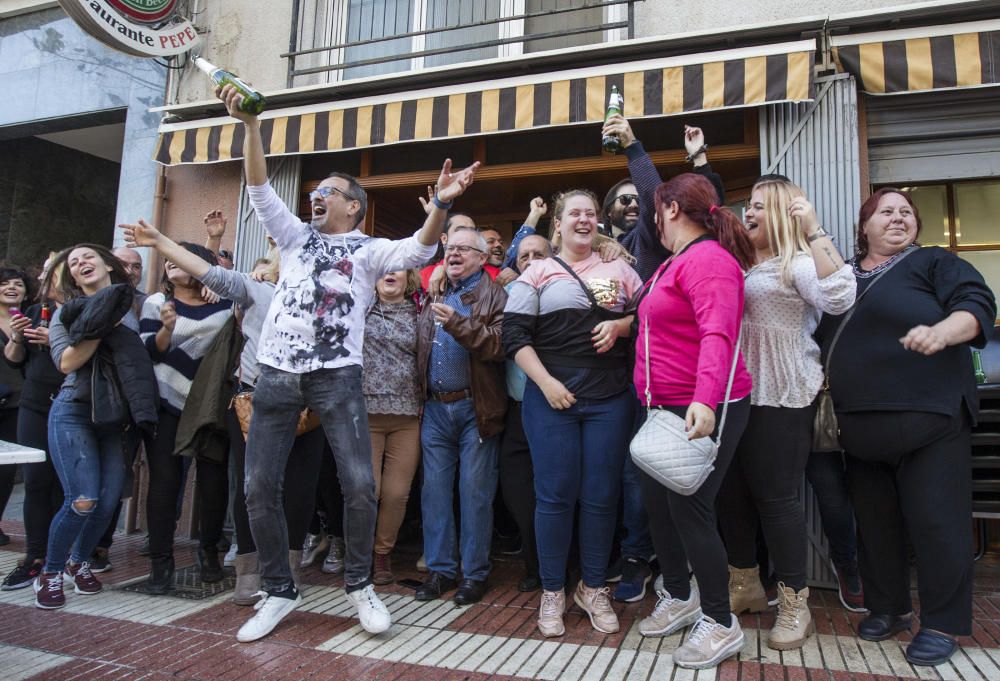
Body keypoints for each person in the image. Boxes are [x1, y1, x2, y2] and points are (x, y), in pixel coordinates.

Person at [216, 82, 479, 641]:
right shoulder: (292, 238)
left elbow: (418, 251)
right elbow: (259, 185)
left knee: (360, 484)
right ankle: (278, 589)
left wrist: (443, 204)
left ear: (353, 205)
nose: (316, 195)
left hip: (338, 377)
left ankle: (360, 586)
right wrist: (251, 125)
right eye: (314, 189)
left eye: (328, 191)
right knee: (258, 485)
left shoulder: (366, 249)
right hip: (277, 375)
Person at [817, 188, 996, 667]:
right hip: (858, 427)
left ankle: (941, 623)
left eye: (906, 213)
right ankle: (889, 608)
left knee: (938, 524)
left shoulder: (934, 263)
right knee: (875, 528)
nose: (898, 218)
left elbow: (977, 304)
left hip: (931, 420)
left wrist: (943, 332)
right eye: (885, 212)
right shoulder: (839, 277)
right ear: (864, 226)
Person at [121, 216, 327, 607]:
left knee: (299, 489)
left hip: (312, 400)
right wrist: (161, 241)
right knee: (254, 486)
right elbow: (205, 270)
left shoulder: (333, 292)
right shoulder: (253, 287)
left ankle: (288, 570)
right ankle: (249, 572)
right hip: (253, 399)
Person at [715, 178, 856, 650]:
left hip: (782, 393)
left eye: (758, 207)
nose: (748, 213)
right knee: (730, 494)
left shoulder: (796, 263)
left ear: (777, 214)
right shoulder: (738, 261)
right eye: (747, 206)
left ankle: (796, 603)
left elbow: (840, 296)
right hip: (733, 393)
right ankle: (746, 585)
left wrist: (813, 228)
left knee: (776, 499)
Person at [504, 189, 643, 637]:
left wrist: (622, 325)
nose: (583, 219)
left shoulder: (620, 268)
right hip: (552, 400)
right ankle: (552, 591)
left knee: (602, 497)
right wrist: (545, 384)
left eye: (591, 213)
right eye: (574, 214)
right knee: (555, 497)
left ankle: (595, 587)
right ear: (557, 224)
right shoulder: (538, 271)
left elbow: (648, 317)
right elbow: (514, 337)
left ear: (599, 222)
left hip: (610, 399)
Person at [633, 174, 754, 669]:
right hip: (663, 408)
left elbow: (718, 334)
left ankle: (722, 622)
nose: (652, 219)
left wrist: (704, 400)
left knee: (691, 510)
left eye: (656, 209)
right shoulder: (675, 262)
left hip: (702, 406)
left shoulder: (708, 259)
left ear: (673, 209)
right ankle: (681, 595)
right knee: (660, 508)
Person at [34, 244, 155, 609]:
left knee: (107, 503)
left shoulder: (134, 308)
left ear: (107, 265)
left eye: (87, 257)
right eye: (73, 263)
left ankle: (78, 561)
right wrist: (100, 325)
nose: (81, 263)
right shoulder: (65, 313)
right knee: (83, 499)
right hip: (73, 411)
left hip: (115, 418)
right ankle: (51, 572)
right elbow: (67, 362)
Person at [414, 228, 507, 605]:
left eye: (463, 249)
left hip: (476, 408)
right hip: (434, 407)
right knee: (434, 493)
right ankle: (439, 571)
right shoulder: (434, 291)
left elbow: (500, 345)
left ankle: (474, 574)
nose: (454, 254)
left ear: (482, 257)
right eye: (450, 248)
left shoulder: (495, 294)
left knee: (474, 493)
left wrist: (457, 322)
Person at [139, 241, 233, 594]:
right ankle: (160, 565)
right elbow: (150, 349)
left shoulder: (226, 304)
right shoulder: (155, 302)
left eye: (180, 259)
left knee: (213, 484)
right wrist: (166, 327)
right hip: (165, 404)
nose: (170, 265)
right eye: (167, 261)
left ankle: (209, 554)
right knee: (163, 484)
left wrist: (218, 281)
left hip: (210, 405)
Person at [3, 257, 65, 590]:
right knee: (36, 481)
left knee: (63, 484)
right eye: (42, 272)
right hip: (34, 404)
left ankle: (61, 558)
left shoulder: (79, 310)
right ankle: (34, 558)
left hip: (71, 405)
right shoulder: (34, 310)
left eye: (49, 271)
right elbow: (15, 359)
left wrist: (55, 341)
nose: (42, 276)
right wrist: (15, 338)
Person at [498, 234, 552, 593]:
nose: (530, 260)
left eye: (539, 254)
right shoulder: (504, 297)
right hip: (516, 411)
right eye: (524, 256)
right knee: (516, 491)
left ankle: (552, 569)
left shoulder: (562, 295)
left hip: (554, 406)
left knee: (555, 493)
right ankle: (534, 564)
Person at [364, 268, 423, 585]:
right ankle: (360, 554)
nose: (390, 273)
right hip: (365, 414)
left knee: (397, 493)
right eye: (383, 268)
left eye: (397, 268)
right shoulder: (361, 305)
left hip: (407, 416)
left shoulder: (420, 310)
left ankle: (381, 554)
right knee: (366, 489)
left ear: (409, 277)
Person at [0, 266, 33, 545]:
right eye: (4, 283)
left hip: (17, 404)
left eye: (18, 284)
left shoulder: (33, 320)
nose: (12, 288)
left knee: (5, 470)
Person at [419, 213, 500, 290]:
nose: (466, 234)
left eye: (472, 231)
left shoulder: (495, 274)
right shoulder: (424, 275)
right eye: (460, 230)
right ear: (444, 239)